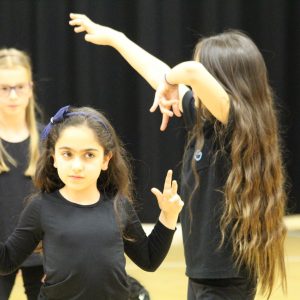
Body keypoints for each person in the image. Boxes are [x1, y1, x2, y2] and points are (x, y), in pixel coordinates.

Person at [69, 13, 287, 300]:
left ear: (224, 81)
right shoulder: (205, 121)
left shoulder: (237, 125)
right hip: (201, 275)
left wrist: (171, 81)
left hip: (226, 281)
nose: (192, 90)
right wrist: (115, 39)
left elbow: (191, 73)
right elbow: (158, 71)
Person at [0, 105, 184, 299]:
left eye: (89, 155)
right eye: (67, 154)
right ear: (54, 158)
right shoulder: (40, 207)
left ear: (106, 160)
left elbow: (149, 260)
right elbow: (7, 262)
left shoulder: (118, 205)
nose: (77, 166)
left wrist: (168, 215)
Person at [0, 48, 44, 300]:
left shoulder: (49, 138)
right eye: (4, 88)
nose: (13, 95)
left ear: (30, 88)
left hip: (42, 255)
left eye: (19, 87)